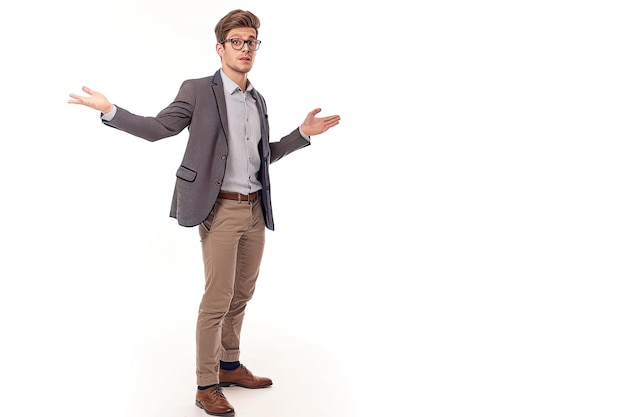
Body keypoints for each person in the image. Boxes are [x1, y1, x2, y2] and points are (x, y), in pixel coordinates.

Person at [68, 9, 340, 417]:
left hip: (254, 210)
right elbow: (159, 128)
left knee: (242, 293)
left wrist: (301, 136)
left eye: (251, 42)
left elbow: (262, 157)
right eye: (237, 41)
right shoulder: (197, 90)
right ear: (220, 48)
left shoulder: (257, 98)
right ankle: (205, 385)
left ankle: (229, 365)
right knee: (218, 298)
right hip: (221, 209)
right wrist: (111, 110)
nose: (245, 48)